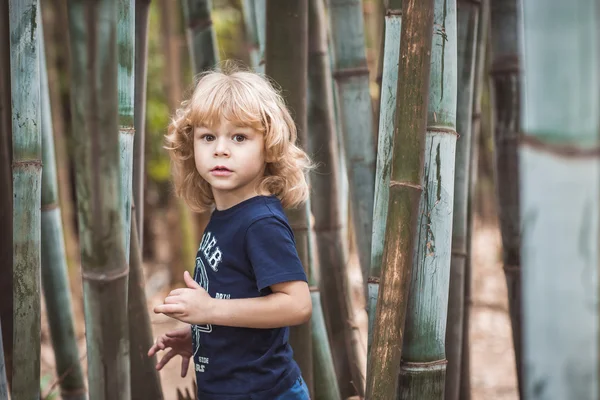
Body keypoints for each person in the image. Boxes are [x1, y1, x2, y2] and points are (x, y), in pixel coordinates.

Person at [148, 66, 313, 400]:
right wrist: (200, 336)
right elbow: (233, 296)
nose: (221, 149)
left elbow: (297, 305)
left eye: (239, 137)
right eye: (208, 137)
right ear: (190, 145)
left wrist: (210, 311)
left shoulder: (260, 222)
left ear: (269, 145)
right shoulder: (226, 213)